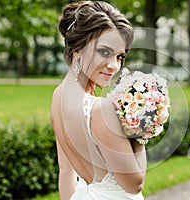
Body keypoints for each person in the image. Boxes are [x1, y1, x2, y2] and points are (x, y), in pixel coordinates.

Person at [50, 1, 146, 199]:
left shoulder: (58, 96)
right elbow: (135, 183)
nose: (113, 65)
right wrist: (141, 132)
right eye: (104, 52)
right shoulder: (99, 110)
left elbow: (66, 173)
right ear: (78, 50)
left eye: (119, 56)